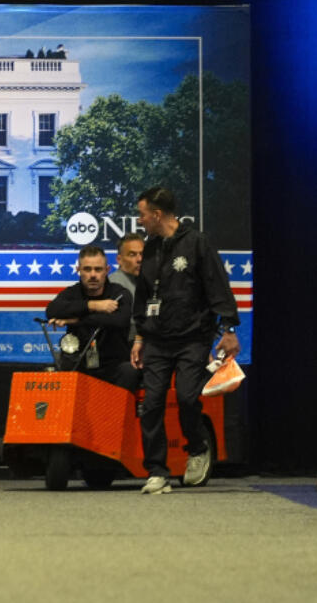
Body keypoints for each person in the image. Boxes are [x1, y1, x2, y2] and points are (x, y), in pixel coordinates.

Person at [130, 186, 239, 495]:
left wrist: (229, 328)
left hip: (193, 338)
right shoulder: (149, 249)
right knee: (150, 404)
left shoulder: (197, 243)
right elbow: (143, 296)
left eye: (142, 214)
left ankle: (198, 447)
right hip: (156, 340)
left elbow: (218, 284)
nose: (139, 221)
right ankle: (157, 472)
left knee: (189, 398)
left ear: (157, 214)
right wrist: (139, 337)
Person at [45, 245, 139, 391]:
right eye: (87, 269)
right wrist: (93, 305)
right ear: (79, 270)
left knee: (129, 371)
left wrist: (77, 320)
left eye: (98, 269)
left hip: (113, 364)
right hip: (80, 364)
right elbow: (52, 310)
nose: (93, 275)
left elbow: (120, 321)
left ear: (107, 270)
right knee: (64, 366)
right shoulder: (72, 293)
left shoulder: (120, 293)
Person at [108, 233, 144, 342]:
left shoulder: (151, 282)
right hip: (125, 348)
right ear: (119, 259)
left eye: (142, 254)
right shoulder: (112, 285)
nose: (139, 259)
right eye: (132, 254)